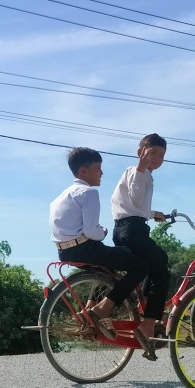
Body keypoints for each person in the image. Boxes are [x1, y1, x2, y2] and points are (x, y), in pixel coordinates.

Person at [49, 147, 155, 358]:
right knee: (140, 266)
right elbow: (92, 231)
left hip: (65, 252)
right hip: (85, 248)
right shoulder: (88, 193)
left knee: (110, 267)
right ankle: (101, 310)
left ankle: (89, 309)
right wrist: (103, 231)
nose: (102, 173)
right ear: (84, 172)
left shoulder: (61, 196)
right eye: (98, 168)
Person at [110, 133, 170, 353]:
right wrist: (142, 167)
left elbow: (136, 206)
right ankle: (147, 325)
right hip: (131, 229)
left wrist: (154, 213)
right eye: (152, 152)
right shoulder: (136, 172)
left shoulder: (145, 176)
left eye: (161, 155)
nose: (156, 158)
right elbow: (135, 197)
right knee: (162, 274)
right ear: (140, 152)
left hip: (130, 227)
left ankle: (144, 300)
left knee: (160, 259)